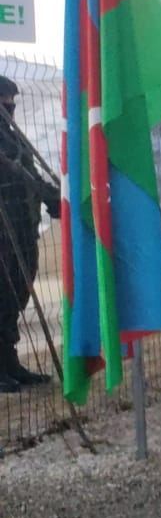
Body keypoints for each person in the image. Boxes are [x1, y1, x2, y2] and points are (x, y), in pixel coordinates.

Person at [0, 76, 61, 393]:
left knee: (15, 297)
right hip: (2, 233)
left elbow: (31, 174)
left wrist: (55, 199)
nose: (10, 108)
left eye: (12, 102)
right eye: (4, 102)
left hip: (23, 230)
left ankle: (9, 363)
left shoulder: (14, 138)